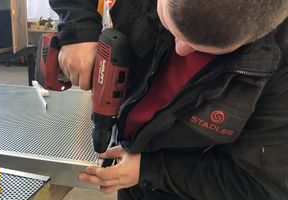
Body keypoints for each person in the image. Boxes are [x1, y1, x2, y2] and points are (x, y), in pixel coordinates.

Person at [49, 0, 288, 199]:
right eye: (173, 28)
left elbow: (262, 184)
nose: (181, 49)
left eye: (203, 48)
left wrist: (150, 169)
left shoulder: (280, 64)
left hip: (185, 187)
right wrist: (77, 30)